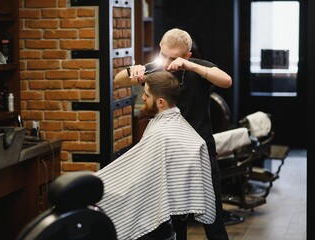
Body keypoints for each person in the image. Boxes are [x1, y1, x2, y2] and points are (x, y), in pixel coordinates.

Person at [114, 28, 232, 240]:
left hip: (200, 154)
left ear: (187, 55)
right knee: (176, 224)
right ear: (159, 49)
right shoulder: (155, 69)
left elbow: (226, 81)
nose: (167, 62)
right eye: (164, 55)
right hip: (170, 156)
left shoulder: (197, 68)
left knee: (214, 222)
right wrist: (135, 71)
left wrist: (192, 66)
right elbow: (119, 79)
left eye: (174, 58)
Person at [95, 71, 216, 240]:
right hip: (170, 210)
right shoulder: (171, 126)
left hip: (160, 208)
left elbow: (142, 176)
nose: (143, 98)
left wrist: (100, 182)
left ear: (160, 102)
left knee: (102, 196)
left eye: (146, 95)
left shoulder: (162, 134)